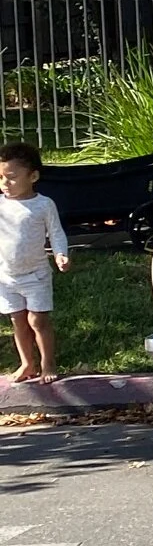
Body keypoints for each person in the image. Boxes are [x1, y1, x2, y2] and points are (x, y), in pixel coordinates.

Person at [0, 141, 70, 383]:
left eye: (11, 177)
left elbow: (56, 233)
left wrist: (61, 253)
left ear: (33, 176)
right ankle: (27, 363)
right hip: (6, 277)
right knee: (17, 320)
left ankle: (47, 363)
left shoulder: (43, 205)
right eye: (0, 178)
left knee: (37, 320)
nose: (4, 184)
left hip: (36, 275)